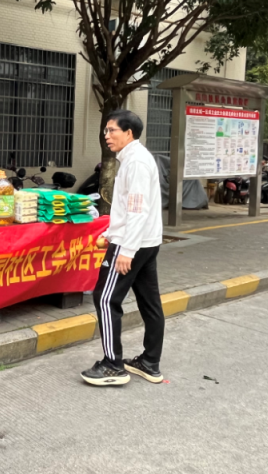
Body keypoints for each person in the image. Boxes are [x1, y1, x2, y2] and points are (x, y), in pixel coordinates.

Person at [81, 109, 164, 386]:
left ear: (128, 133)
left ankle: (112, 365)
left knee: (105, 299)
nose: (107, 135)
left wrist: (126, 249)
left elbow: (137, 210)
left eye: (112, 130)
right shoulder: (133, 158)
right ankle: (150, 362)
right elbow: (129, 208)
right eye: (105, 130)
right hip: (146, 242)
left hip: (133, 243)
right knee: (150, 303)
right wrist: (110, 232)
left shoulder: (136, 162)